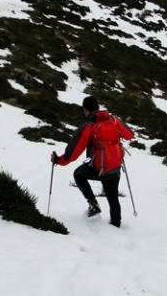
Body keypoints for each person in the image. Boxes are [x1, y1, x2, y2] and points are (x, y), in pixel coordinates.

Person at [51, 96, 134, 227]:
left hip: (99, 169)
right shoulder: (113, 120)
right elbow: (129, 135)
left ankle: (94, 205)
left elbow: (72, 153)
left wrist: (58, 160)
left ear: (85, 110)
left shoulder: (89, 126)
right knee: (113, 199)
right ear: (97, 107)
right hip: (115, 167)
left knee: (78, 174)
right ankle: (116, 226)